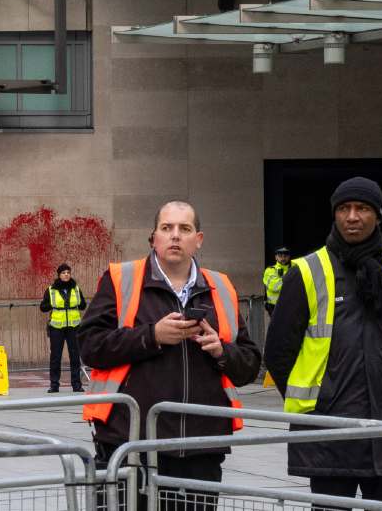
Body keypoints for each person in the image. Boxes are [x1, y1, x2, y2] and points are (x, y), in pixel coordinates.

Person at [79, 201, 260, 509]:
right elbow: (90, 346)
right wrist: (152, 336)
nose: (175, 236)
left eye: (184, 229)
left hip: (201, 449)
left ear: (198, 239)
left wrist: (221, 350)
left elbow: (249, 365)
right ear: (154, 238)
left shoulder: (220, 286)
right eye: (167, 228)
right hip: (131, 444)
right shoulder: (121, 279)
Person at [263, 178, 382, 504]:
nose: (352, 216)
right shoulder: (308, 271)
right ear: (334, 215)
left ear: (378, 216)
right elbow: (278, 353)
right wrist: (320, 399)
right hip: (329, 432)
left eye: (362, 208)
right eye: (344, 209)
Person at [39, 263, 85, 393]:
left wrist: (78, 303)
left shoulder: (76, 288)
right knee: (55, 357)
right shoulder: (51, 289)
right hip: (57, 327)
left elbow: (83, 305)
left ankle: (76, 385)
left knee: (75, 356)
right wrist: (52, 305)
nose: (66, 275)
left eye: (68, 272)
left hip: (73, 326)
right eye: (64, 272)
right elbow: (43, 307)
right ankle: (54, 385)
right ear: (59, 275)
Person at [263, 247, 290, 317]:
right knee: (277, 327)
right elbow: (275, 287)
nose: (283, 258)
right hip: (274, 307)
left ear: (289, 257)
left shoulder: (294, 268)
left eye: (285, 256)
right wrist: (290, 278)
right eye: (280, 256)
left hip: (290, 304)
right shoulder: (270, 270)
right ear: (276, 257)